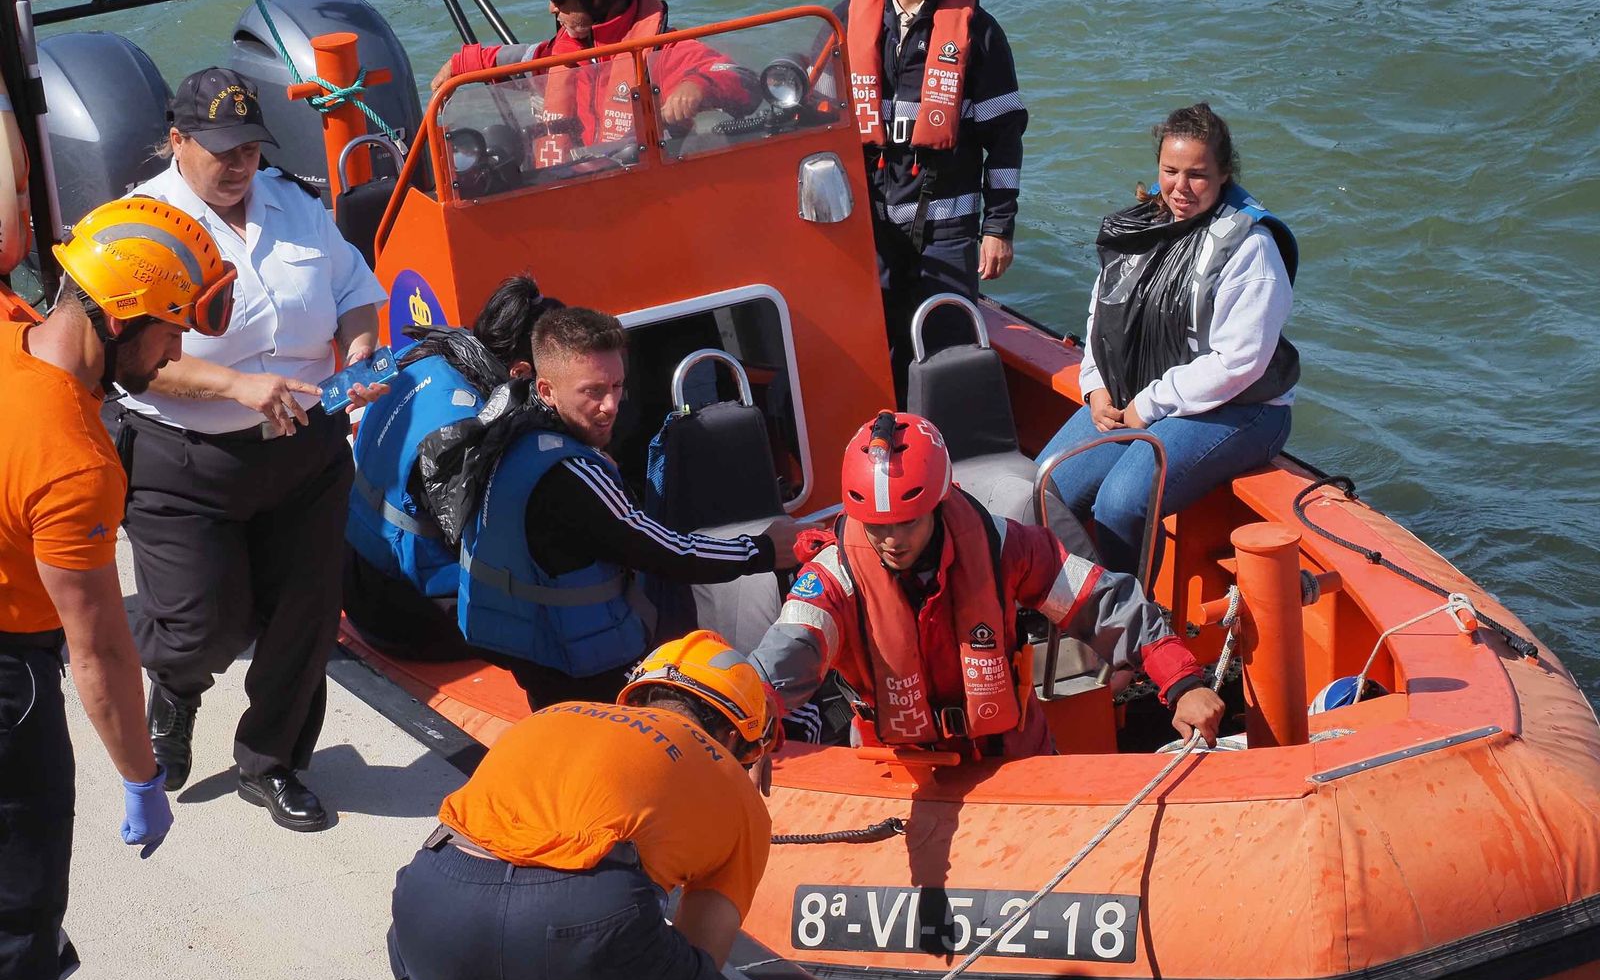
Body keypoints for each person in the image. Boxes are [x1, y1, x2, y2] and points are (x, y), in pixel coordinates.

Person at [114, 67, 390, 832]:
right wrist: (236, 388)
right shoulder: (137, 228)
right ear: (178, 141)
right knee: (204, 626)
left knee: (305, 616)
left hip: (305, 451)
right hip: (188, 463)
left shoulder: (297, 206)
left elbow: (354, 293)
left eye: (250, 150)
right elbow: (136, 363)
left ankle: (272, 763)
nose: (239, 166)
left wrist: (361, 358)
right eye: (221, 150)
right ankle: (174, 688)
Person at [1, 196, 236, 980]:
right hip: (8, 678)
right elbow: (99, 649)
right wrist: (141, 776)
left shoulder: (6, 324)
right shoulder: (75, 463)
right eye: (172, 330)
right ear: (124, 319)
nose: (173, 353)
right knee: (20, 900)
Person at [750, 412, 1224, 759]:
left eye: (908, 523)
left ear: (937, 504)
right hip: (895, 767)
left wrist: (1181, 681)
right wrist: (741, 717)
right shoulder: (833, 578)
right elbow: (785, 653)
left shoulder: (1003, 546)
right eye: (876, 526)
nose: (891, 540)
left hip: (1013, 755)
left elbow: (1101, 602)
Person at [388, 629, 776, 980]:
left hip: (432, 899)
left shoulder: (554, 714)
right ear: (729, 737)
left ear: (635, 700)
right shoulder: (733, 783)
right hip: (579, 917)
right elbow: (702, 949)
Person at [456, 305, 804, 706]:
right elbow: (666, 551)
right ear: (548, 390)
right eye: (592, 391)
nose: (610, 406)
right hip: (586, 674)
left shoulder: (510, 434)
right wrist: (762, 549)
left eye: (617, 386)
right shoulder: (572, 477)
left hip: (533, 648)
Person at [1037, 103, 1298, 575]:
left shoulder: (1251, 250)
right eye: (1170, 171)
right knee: (1047, 483)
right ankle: (1073, 606)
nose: (1181, 188)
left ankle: (1131, 631)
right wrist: (1095, 386)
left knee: (1120, 503)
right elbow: (1104, 315)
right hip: (1140, 393)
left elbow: (1241, 362)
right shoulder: (1141, 226)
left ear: (1224, 176)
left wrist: (1150, 405)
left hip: (1240, 407)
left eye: (1197, 175)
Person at [837, 0, 1028, 400]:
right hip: (868, 226)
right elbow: (808, 115)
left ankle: (940, 461)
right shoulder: (844, 21)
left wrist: (999, 228)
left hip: (947, 230)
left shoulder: (980, 34)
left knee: (943, 359)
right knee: (870, 354)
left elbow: (1004, 139)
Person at [345, 272, 562, 634]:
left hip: (353, 569)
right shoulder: (467, 430)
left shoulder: (424, 355)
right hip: (404, 609)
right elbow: (492, 548)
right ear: (521, 371)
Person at [434, 0, 757, 162]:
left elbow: (739, 78)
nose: (552, 8)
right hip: (573, 188)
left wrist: (698, 86)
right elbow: (524, 60)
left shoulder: (665, 51)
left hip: (644, 185)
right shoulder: (565, 52)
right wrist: (464, 62)